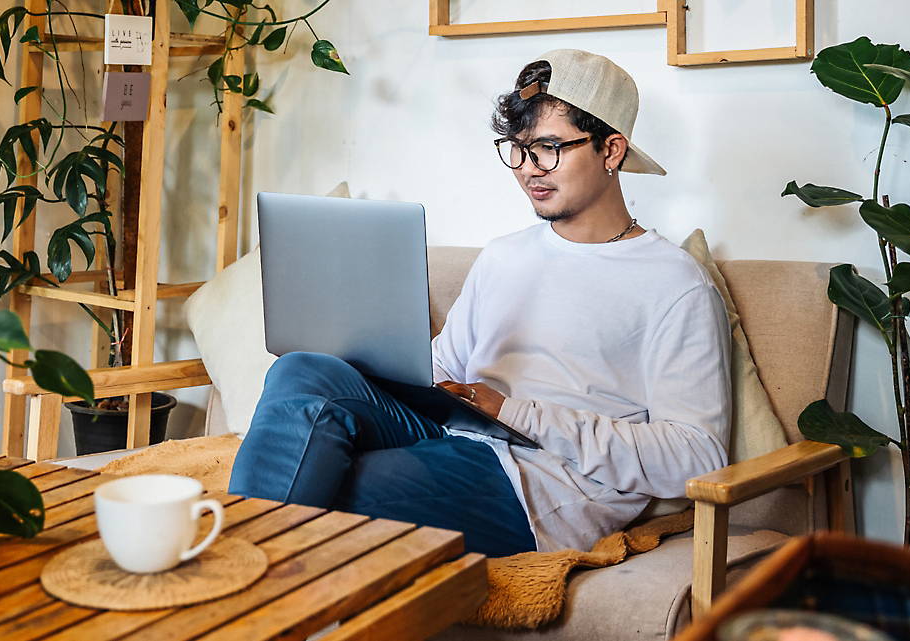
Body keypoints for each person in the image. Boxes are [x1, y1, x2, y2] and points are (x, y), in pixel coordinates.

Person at [228, 49, 732, 558]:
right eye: (517, 149)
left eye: (549, 147)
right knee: (301, 371)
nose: (528, 170)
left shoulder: (673, 283)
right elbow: (445, 367)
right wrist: (375, 351)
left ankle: (229, 594)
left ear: (612, 150)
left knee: (333, 485)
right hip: (455, 433)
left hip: (537, 486)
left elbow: (697, 455)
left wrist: (516, 413)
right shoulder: (504, 255)